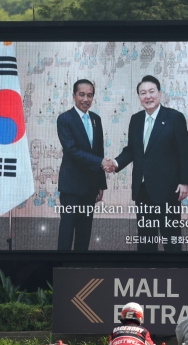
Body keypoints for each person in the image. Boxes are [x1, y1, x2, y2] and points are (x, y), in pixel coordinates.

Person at [108, 75, 188, 252]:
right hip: (143, 190)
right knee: (146, 240)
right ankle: (146, 274)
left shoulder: (174, 117)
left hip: (169, 191)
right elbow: (132, 150)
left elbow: (184, 151)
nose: (148, 96)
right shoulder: (136, 119)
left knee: (171, 239)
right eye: (143, 93)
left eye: (151, 92)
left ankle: (175, 277)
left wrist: (185, 182)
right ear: (139, 97)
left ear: (160, 94)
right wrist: (116, 163)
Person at [56, 79, 108, 251]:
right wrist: (100, 162)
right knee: (67, 231)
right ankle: (62, 270)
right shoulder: (64, 119)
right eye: (82, 94)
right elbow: (72, 150)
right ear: (74, 96)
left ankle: (80, 271)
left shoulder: (96, 120)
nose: (86, 99)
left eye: (90, 95)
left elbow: (98, 151)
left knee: (84, 232)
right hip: (71, 186)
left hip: (90, 187)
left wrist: (100, 184)